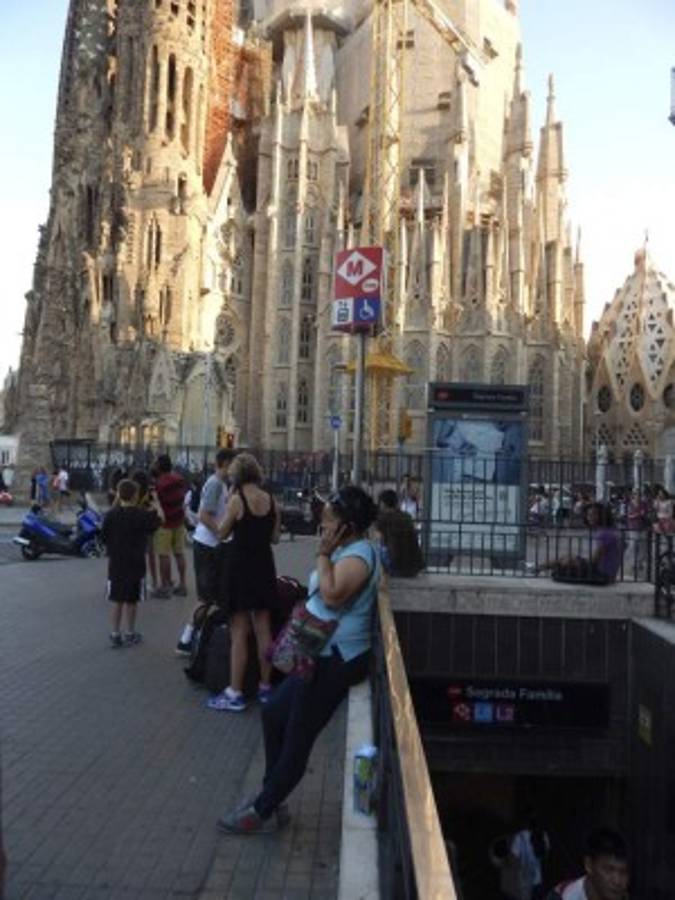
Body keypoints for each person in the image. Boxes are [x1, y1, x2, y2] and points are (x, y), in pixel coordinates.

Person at [217, 485, 378, 834]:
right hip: (317, 653)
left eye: (330, 521)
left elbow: (333, 595)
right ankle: (272, 796)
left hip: (336, 658)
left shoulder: (359, 555)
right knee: (274, 713)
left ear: (348, 526)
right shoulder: (347, 549)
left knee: (298, 736)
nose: (323, 525)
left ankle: (261, 810)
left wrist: (322, 554)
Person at [207, 453, 281, 711]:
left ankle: (235, 692)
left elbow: (222, 532)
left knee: (239, 631)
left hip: (239, 569)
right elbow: (275, 538)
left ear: (236, 476)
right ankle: (265, 687)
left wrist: (228, 505)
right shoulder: (271, 501)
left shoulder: (237, 500)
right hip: (264, 567)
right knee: (264, 630)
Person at [175, 448, 236, 656]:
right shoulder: (215, 484)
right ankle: (186, 639)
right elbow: (204, 515)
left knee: (213, 596)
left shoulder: (222, 484)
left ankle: (200, 637)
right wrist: (221, 533)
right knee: (206, 597)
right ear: (225, 463)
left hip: (212, 545)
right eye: (233, 464)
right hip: (207, 545)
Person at [101, 479, 163, 647]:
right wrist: (156, 501)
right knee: (132, 600)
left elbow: (103, 537)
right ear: (136, 495)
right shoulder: (142, 515)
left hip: (116, 563)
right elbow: (160, 520)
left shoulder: (111, 515)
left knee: (116, 599)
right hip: (136, 564)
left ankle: (115, 633)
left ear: (119, 495)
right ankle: (130, 632)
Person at [542, 503, 621, 586]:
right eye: (588, 515)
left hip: (602, 575)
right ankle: (539, 567)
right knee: (567, 558)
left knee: (568, 559)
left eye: (594, 514)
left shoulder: (604, 534)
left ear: (602, 515)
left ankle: (538, 568)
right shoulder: (609, 531)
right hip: (608, 574)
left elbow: (594, 561)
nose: (590, 518)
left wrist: (577, 561)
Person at [544, 827, 629, 900]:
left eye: (623, 872)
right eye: (608, 870)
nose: (617, 881)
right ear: (589, 865)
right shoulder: (562, 896)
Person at [152, 454, 187, 598]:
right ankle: (183, 584)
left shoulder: (159, 484)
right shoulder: (179, 479)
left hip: (164, 522)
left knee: (163, 554)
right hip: (179, 520)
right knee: (179, 553)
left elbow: (157, 502)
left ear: (159, 466)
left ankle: (165, 586)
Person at [376, 489, 425, 577]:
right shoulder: (407, 516)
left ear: (382, 503)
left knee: (373, 547)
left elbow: (379, 540)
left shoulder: (382, 519)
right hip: (414, 568)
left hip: (396, 567)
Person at [510, 811, 549, 900]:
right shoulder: (543, 834)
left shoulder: (519, 837)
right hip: (539, 880)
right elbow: (546, 855)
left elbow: (514, 857)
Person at [131, 470, 159, 592]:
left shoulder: (132, 492)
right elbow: (154, 509)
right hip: (148, 527)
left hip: (134, 527)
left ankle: (138, 582)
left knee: (136, 557)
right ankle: (154, 582)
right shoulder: (150, 493)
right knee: (151, 556)